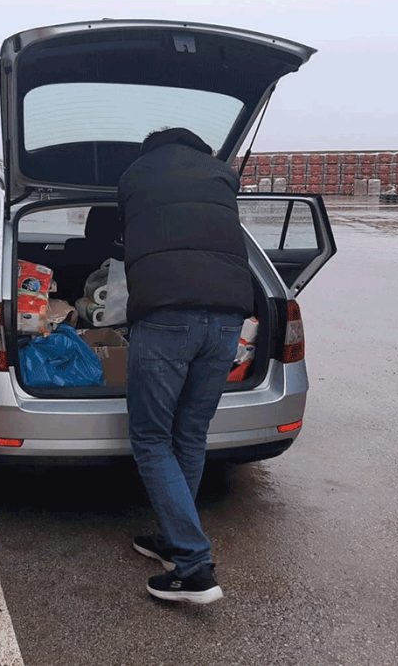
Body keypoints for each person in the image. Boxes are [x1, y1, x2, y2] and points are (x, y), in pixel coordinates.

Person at [118, 126, 252, 604]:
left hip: (167, 315)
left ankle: (194, 565)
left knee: (152, 439)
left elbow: (128, 229)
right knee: (190, 434)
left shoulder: (136, 173)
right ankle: (174, 539)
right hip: (228, 321)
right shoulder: (222, 175)